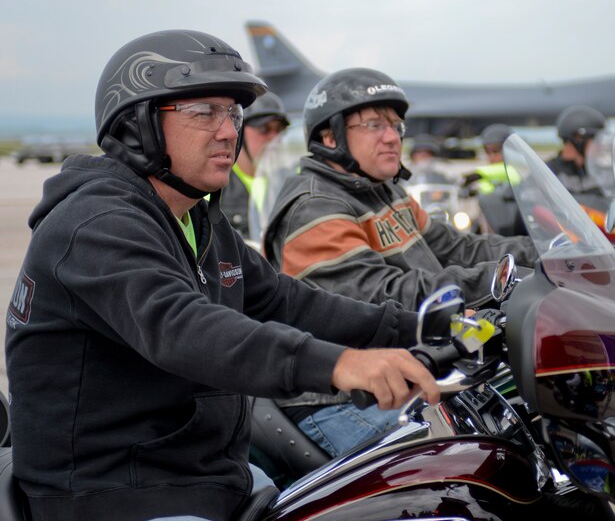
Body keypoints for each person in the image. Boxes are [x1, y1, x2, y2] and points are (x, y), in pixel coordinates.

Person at [4, 30, 439, 521]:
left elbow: (287, 301)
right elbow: (184, 328)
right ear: (135, 127)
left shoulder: (195, 218)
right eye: (204, 112)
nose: (229, 131)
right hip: (115, 494)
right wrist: (341, 365)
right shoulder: (95, 224)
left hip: (202, 476)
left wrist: (422, 327)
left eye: (233, 113)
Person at [262, 68, 537, 455]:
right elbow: (385, 296)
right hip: (343, 398)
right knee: (470, 461)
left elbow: (458, 248)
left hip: (412, 367)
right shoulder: (315, 208)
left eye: (395, 124)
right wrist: (501, 278)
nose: (392, 136)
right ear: (330, 136)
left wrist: (548, 248)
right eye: (374, 124)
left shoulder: (384, 191)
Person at [221, 90, 290, 239]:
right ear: (239, 131)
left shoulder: (291, 179)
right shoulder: (217, 185)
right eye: (264, 129)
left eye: (279, 130)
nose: (274, 138)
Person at [546, 105, 606, 194]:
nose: (600, 146)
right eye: (596, 140)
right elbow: (527, 199)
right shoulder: (547, 173)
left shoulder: (600, 173)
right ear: (578, 140)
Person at [462, 123, 513, 195]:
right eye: (487, 152)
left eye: (496, 151)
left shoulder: (518, 170)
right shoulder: (488, 177)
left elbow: (511, 172)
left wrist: (478, 174)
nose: (491, 158)